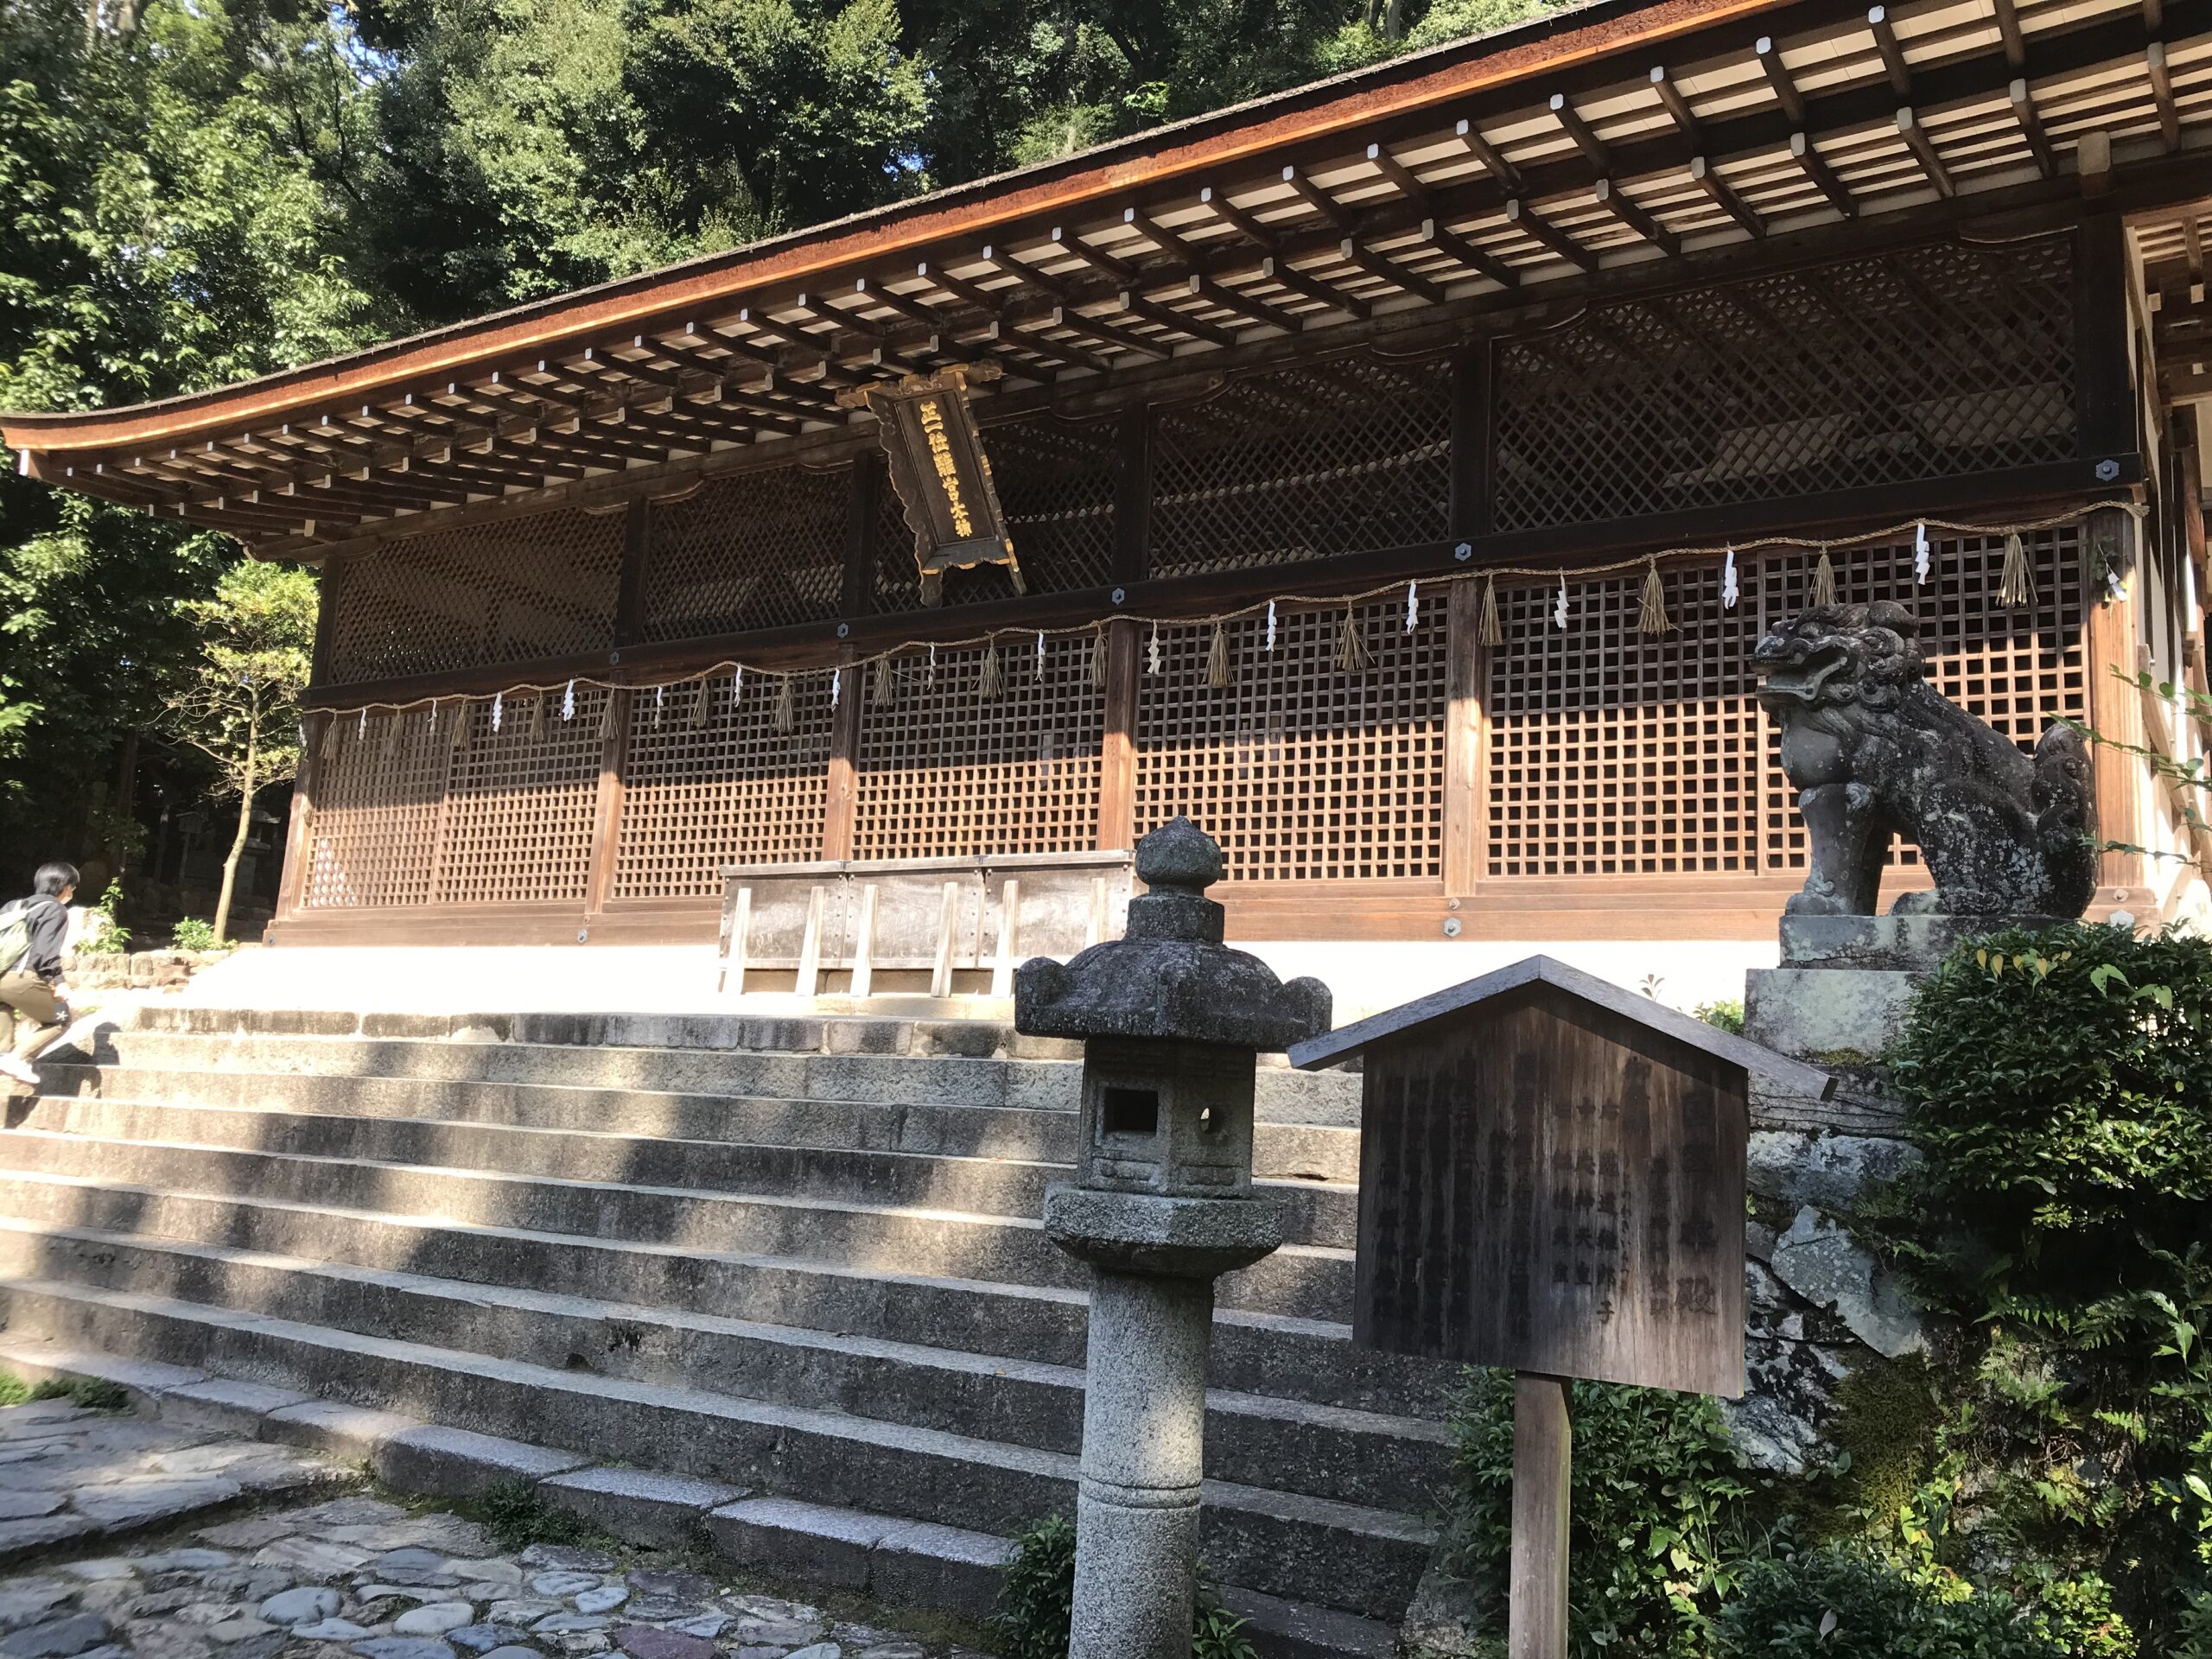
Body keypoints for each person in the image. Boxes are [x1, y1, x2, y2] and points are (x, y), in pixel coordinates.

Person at [0, 862, 78, 1086]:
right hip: (20, 979)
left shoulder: (13, 906)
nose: (71, 893)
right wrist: (59, 981)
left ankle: (4, 1057)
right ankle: (18, 1059)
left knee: (4, 1006)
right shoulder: (55, 909)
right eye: (72, 887)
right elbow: (45, 952)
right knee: (61, 1019)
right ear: (64, 886)